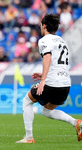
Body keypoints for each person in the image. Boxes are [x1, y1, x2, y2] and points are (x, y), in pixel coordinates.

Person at [16, 13, 82, 143]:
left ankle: (29, 138)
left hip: (53, 83)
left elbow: (47, 57)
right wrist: (44, 74)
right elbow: (59, 63)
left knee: (27, 101)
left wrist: (43, 80)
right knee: (47, 111)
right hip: (65, 83)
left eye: (41, 25)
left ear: (44, 25)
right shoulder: (62, 41)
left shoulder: (44, 40)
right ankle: (76, 122)